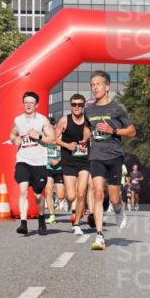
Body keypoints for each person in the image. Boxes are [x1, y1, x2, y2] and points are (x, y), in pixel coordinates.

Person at [85, 70, 136, 250]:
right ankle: (99, 236)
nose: (95, 88)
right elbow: (87, 129)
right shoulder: (88, 109)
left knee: (114, 199)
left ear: (107, 87)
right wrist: (82, 141)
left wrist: (112, 130)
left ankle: (119, 211)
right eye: (92, 85)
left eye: (98, 84)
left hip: (114, 155)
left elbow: (131, 131)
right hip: (96, 156)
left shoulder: (116, 108)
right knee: (98, 194)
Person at [10, 91, 56, 235]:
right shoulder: (18, 120)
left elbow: (52, 138)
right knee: (23, 189)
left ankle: (41, 219)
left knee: (37, 195)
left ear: (37, 105)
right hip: (23, 160)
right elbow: (12, 133)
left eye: (31, 103)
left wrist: (39, 136)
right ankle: (23, 224)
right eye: (26, 102)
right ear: (23, 104)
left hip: (39, 162)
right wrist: (14, 140)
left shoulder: (42, 120)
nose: (28, 105)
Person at [56, 93, 92, 235]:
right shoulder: (64, 120)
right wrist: (67, 145)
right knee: (71, 196)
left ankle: (76, 224)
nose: (77, 107)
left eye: (80, 105)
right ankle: (75, 206)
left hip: (84, 161)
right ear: (71, 106)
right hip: (69, 161)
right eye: (74, 104)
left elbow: (92, 135)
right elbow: (54, 138)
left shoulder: (88, 121)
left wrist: (85, 140)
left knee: (81, 193)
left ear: (83, 106)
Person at [44, 120, 65, 224]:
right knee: (48, 190)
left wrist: (59, 159)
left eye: (52, 126)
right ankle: (52, 215)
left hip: (60, 169)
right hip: (48, 168)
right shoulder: (44, 137)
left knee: (61, 195)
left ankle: (64, 201)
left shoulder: (61, 137)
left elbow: (68, 153)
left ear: (55, 126)